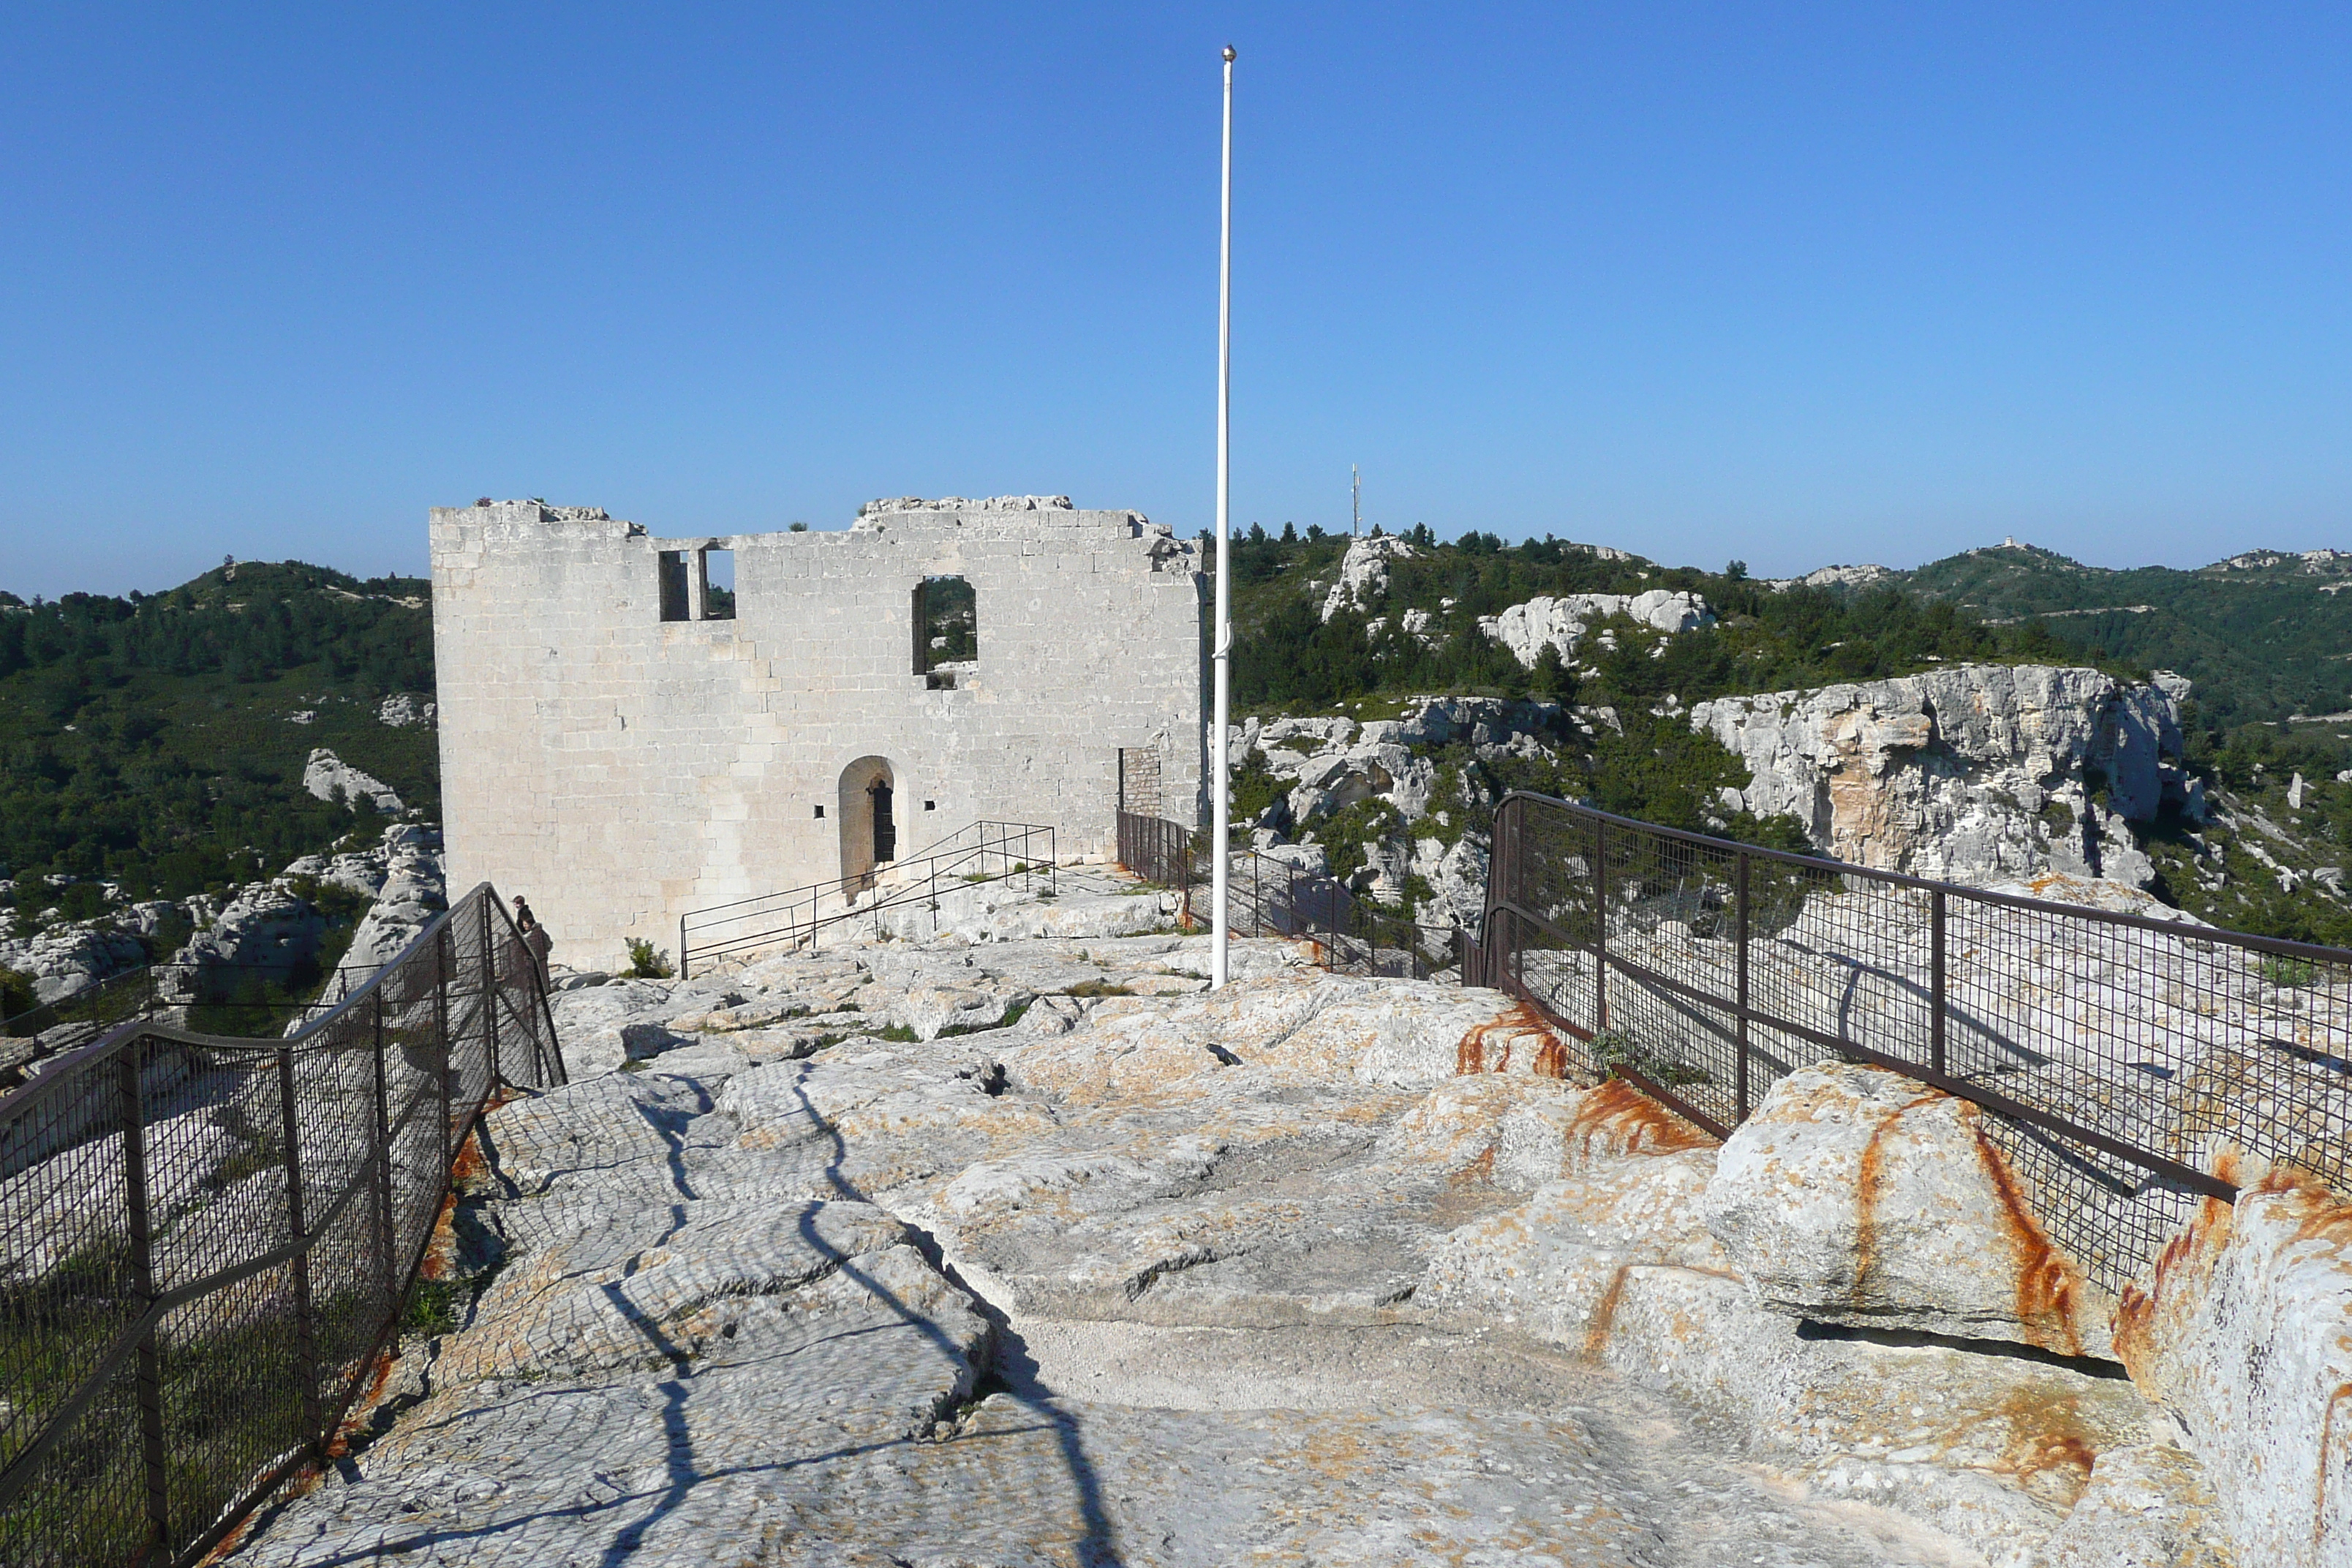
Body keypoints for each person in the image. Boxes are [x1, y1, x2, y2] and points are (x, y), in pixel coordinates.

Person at [512, 895, 553, 984]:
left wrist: (515, 934)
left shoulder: (525, 912)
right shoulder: (522, 911)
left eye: (517, 903)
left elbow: (522, 925)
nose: (516, 906)